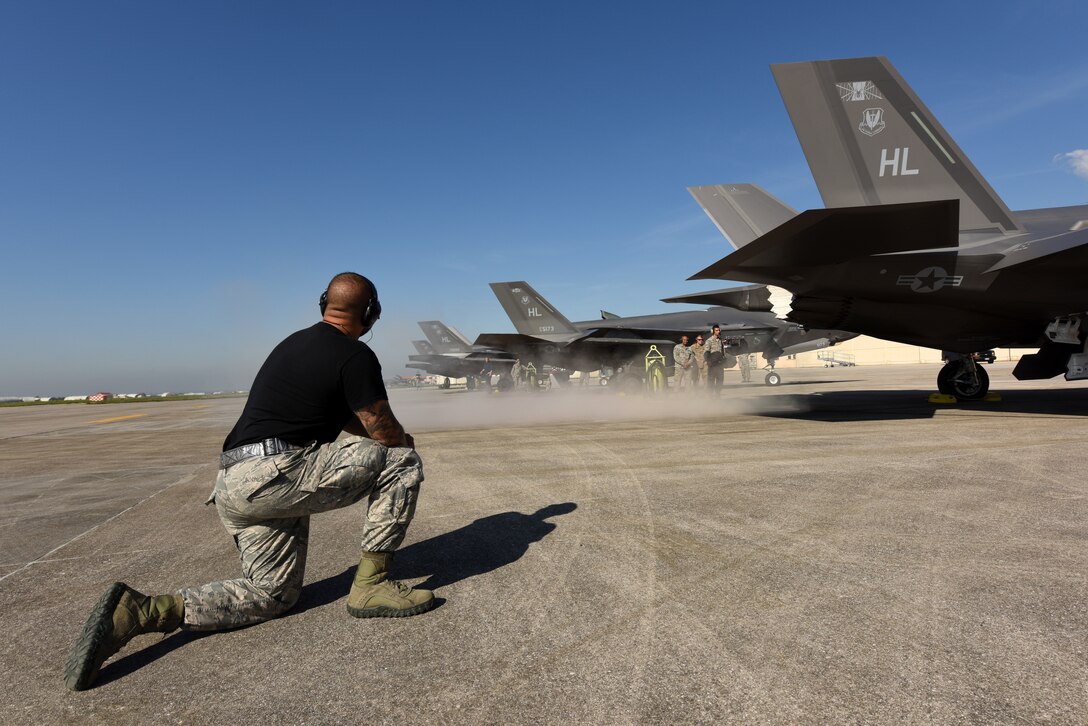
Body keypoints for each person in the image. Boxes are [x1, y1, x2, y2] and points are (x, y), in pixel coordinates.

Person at [65, 272, 434, 692]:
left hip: (235, 482)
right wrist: (401, 440)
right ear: (371, 313)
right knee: (401, 461)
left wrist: (377, 435)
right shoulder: (354, 355)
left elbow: (350, 419)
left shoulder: (292, 345)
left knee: (272, 594)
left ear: (323, 304)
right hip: (274, 474)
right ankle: (371, 585)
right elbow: (380, 426)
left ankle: (144, 611)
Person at [704, 325, 726, 395]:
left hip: (719, 365)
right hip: (712, 365)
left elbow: (723, 351)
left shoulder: (720, 340)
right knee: (711, 381)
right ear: (713, 331)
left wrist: (723, 359)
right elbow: (706, 353)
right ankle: (710, 396)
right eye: (716, 330)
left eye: (719, 330)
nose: (718, 331)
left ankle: (718, 394)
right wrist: (709, 362)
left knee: (720, 381)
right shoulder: (709, 341)